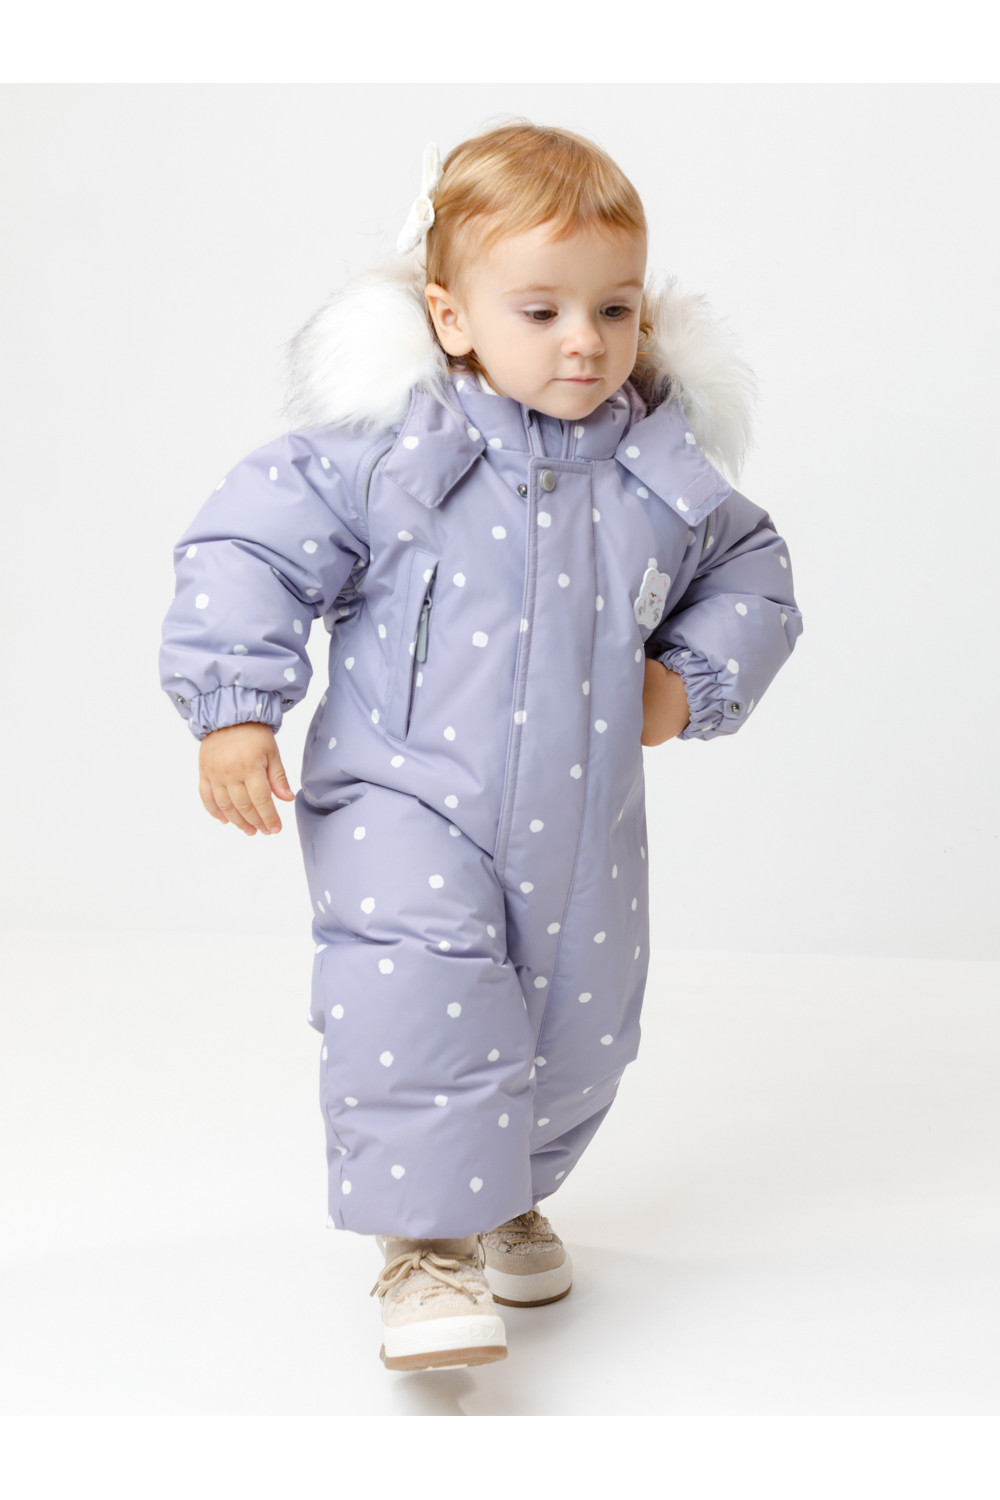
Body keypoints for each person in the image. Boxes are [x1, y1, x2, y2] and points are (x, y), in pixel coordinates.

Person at [159, 121, 803, 1373]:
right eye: (541, 310)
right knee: (418, 994)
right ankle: (425, 1249)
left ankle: (504, 1190)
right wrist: (234, 704)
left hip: (583, 820)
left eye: (614, 308)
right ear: (451, 319)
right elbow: (247, 546)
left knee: (580, 1028)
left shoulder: (657, 471)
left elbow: (754, 573)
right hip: (402, 797)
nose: (586, 341)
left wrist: (685, 683)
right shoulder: (392, 452)